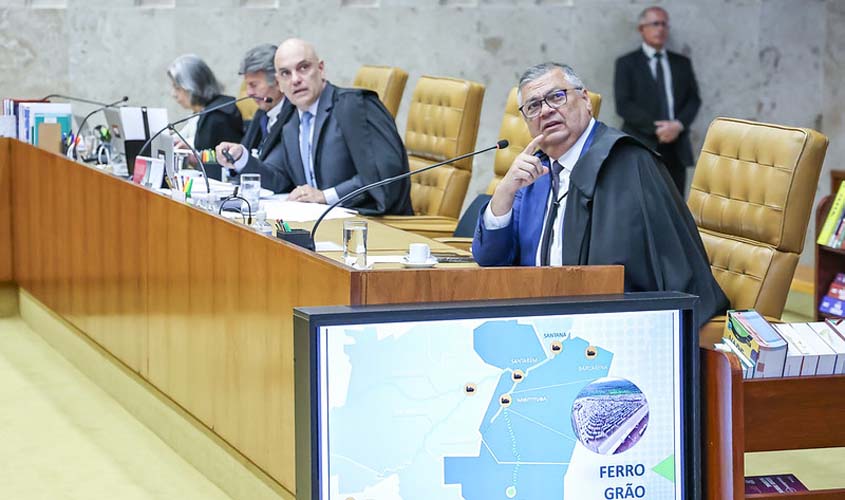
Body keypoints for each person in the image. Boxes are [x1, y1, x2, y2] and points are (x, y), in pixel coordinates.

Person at [471, 62, 728, 330]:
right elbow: (491, 260)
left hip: (606, 328)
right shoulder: (535, 173)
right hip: (536, 322)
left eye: (556, 97)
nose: (546, 111)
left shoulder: (628, 164)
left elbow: (657, 275)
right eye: (533, 106)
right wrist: (505, 192)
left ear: (585, 100)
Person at [215, 38, 412, 216]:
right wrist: (241, 158)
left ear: (321, 69)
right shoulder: (291, 122)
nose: (295, 79)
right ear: (279, 83)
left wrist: (325, 197)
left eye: (303, 68)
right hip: (321, 225)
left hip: (375, 225)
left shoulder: (355, 106)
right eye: (285, 73)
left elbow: (385, 177)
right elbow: (278, 179)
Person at [613, 6, 700, 196]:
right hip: (640, 144)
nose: (660, 29)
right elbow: (624, 105)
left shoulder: (682, 63)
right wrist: (658, 128)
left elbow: (693, 100)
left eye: (664, 24)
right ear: (641, 28)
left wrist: (677, 126)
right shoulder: (627, 63)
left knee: (675, 204)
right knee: (640, 202)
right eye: (655, 24)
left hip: (676, 147)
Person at [167, 54, 243, 176]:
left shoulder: (218, 116)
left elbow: (221, 164)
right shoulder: (201, 113)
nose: (174, 94)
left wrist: (194, 158)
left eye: (177, 88)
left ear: (193, 87)